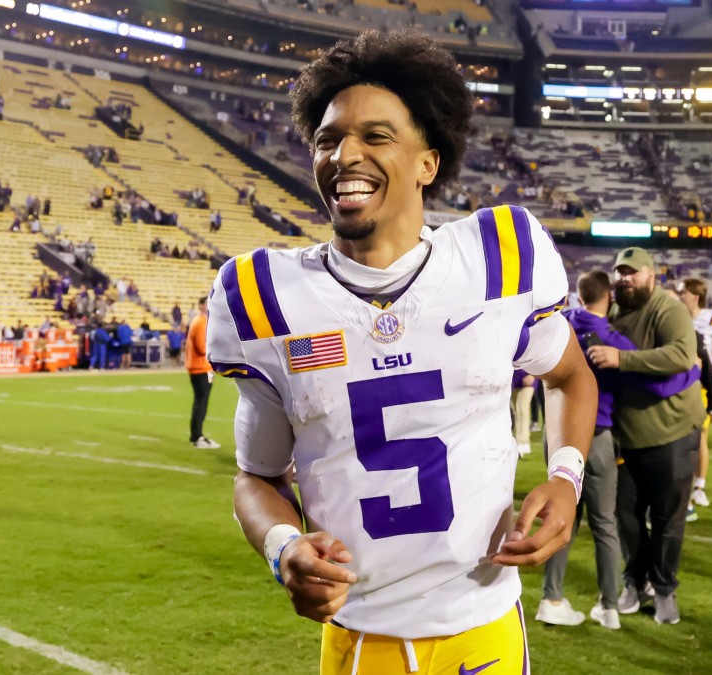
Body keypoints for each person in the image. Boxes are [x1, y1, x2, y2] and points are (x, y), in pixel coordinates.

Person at [207, 29, 597, 675]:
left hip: (485, 622)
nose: (343, 154)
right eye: (328, 139)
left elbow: (568, 376)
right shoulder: (265, 295)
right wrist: (284, 547)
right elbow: (258, 475)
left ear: (428, 163)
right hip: (362, 636)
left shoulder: (500, 255)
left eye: (375, 136)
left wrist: (566, 475)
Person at [538, 270, 693, 630]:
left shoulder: (559, 324)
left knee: (564, 518)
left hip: (555, 436)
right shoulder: (609, 338)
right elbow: (658, 385)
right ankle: (608, 607)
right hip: (596, 435)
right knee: (605, 523)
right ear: (608, 296)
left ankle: (551, 598)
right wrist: (693, 373)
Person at [586, 247, 703, 626]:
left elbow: (682, 356)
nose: (625, 279)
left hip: (672, 433)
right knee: (626, 518)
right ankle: (634, 582)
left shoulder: (668, 310)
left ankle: (665, 589)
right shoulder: (613, 313)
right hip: (625, 437)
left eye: (633, 273)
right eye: (620, 272)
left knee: (668, 518)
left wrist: (623, 359)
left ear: (652, 276)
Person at [678, 279, 712, 511]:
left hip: (700, 388)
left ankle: (698, 488)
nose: (681, 296)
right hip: (677, 384)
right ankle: (687, 490)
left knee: (698, 439)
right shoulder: (675, 316)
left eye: (684, 293)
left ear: (695, 296)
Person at [186, 297, 219, 449]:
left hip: (200, 367)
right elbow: (201, 347)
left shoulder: (201, 321)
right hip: (201, 367)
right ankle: (197, 436)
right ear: (201, 305)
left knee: (201, 402)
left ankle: (197, 436)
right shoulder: (201, 321)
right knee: (201, 402)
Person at [511, 370, 535, 456]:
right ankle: (519, 442)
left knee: (522, 408)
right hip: (514, 379)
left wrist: (533, 375)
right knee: (516, 412)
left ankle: (522, 442)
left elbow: (538, 358)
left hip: (528, 378)